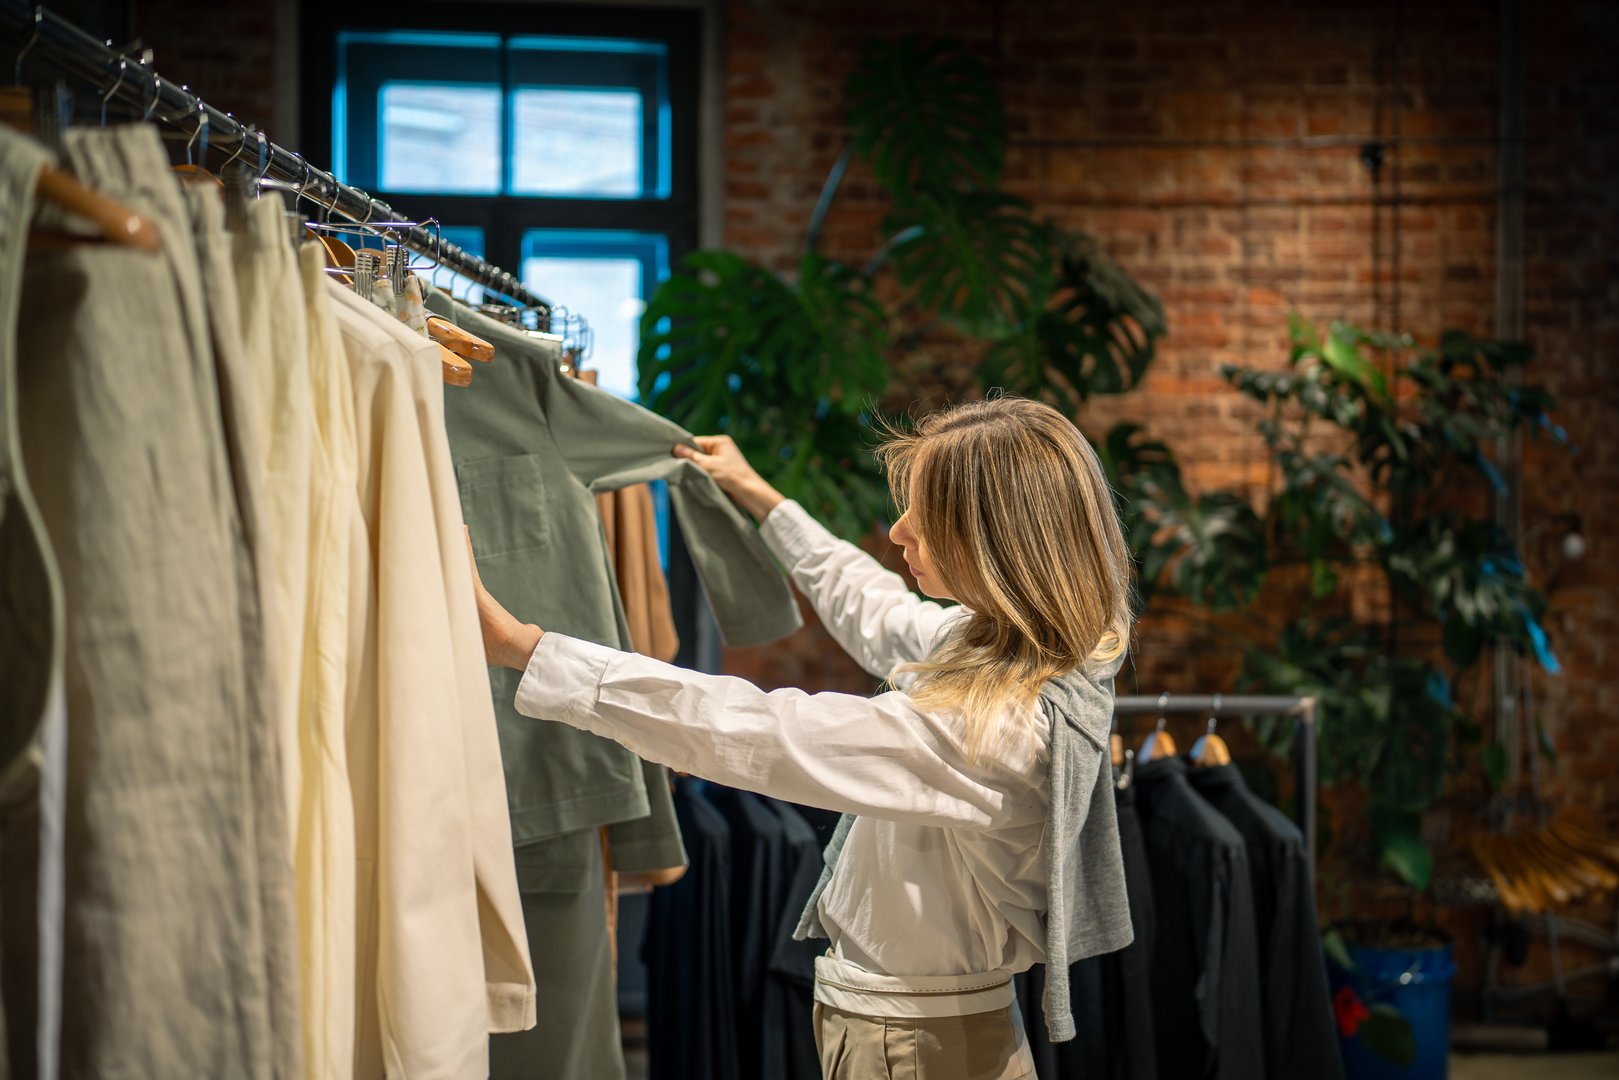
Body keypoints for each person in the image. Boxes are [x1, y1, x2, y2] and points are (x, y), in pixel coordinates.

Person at [469, 397, 1136, 1080]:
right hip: (922, 1029)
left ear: (1003, 541)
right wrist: (762, 499)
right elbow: (870, 607)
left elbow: (764, 733)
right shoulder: (1017, 649)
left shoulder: (997, 726)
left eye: (929, 518)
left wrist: (527, 649)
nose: (900, 530)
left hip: (919, 1047)